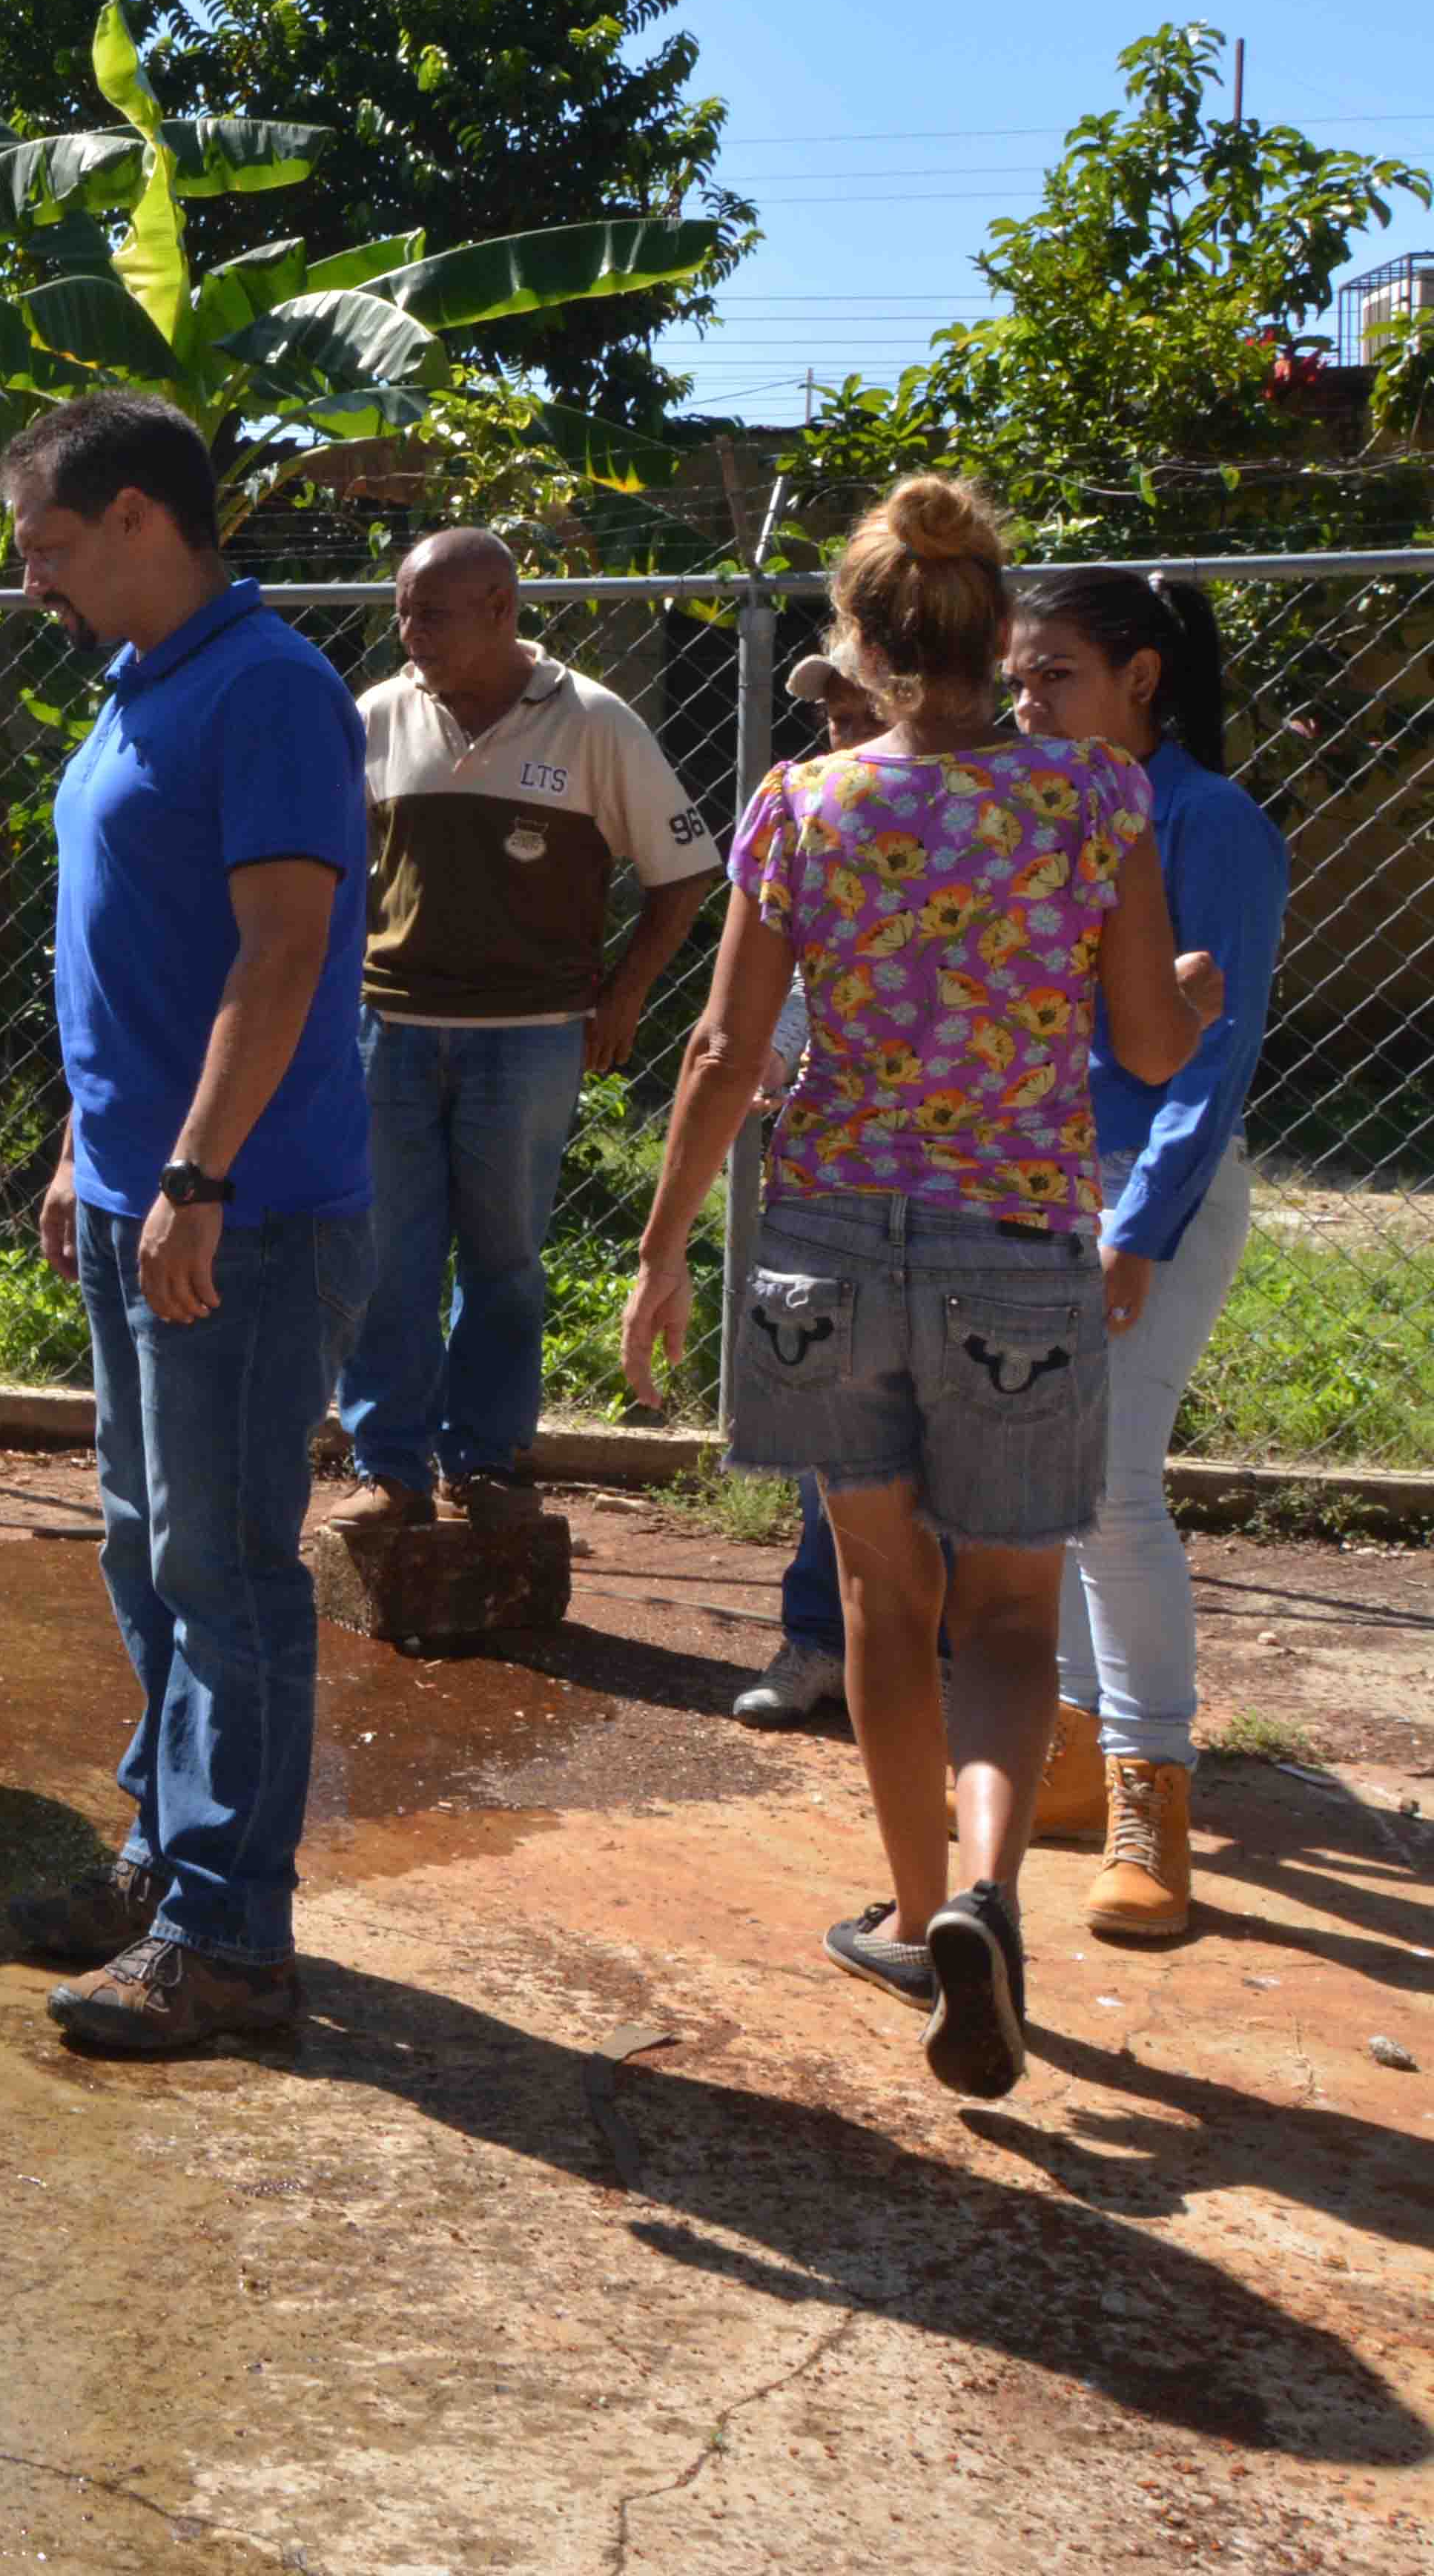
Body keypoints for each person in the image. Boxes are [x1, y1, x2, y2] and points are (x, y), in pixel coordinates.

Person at [624, 474, 1211, 2101]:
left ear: (859, 641)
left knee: (886, 1595)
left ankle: (902, 1908)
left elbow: (725, 1048)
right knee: (1012, 1611)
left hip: (820, 1238)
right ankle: (981, 1892)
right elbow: (1147, 1048)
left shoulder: (799, 805)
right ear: (986, 629)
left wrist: (666, 1242)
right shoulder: (1093, 797)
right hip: (1011, 1240)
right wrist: (1181, 990)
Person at [0, 392, 374, 2058]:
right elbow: (123, 956)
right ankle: (162, 1856)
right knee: (144, 1542)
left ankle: (231, 1932)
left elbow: (278, 950)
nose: (34, 583)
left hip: (240, 1205)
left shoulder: (269, 687)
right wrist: (96, 1144)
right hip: (141, 1191)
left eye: (52, 547)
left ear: (142, 517)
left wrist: (199, 1170)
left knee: (222, 1563)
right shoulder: (134, 689)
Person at [329, 528, 719, 1535]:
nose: (410, 634)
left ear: (501, 608)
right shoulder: (376, 716)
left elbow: (685, 870)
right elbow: (326, 871)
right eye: (404, 612)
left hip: (532, 1038)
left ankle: (489, 1460)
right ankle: (392, 1468)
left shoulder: (593, 722)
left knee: (504, 1257)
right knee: (391, 1256)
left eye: (432, 613)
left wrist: (625, 993)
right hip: (391, 1031)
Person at [1002, 567, 1286, 1941]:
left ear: (1141, 679)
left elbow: (1210, 1061)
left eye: (1054, 673)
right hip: (1033, 1181)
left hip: (1144, 1194)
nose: (1026, 699)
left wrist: (1138, 1228)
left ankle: (1149, 1791)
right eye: (1017, 675)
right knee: (1043, 1480)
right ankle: (1060, 1760)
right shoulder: (1040, 809)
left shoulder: (1206, 818)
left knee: (1110, 1489)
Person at [734, 643, 919, 1728]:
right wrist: (771, 1052)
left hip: (958, 1175)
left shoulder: (992, 820)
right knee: (830, 1411)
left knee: (943, 1428)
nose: (840, 736)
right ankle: (819, 1642)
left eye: (860, 713)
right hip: (831, 1170)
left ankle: (933, 1655)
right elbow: (786, 977)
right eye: (833, 718)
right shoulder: (811, 814)